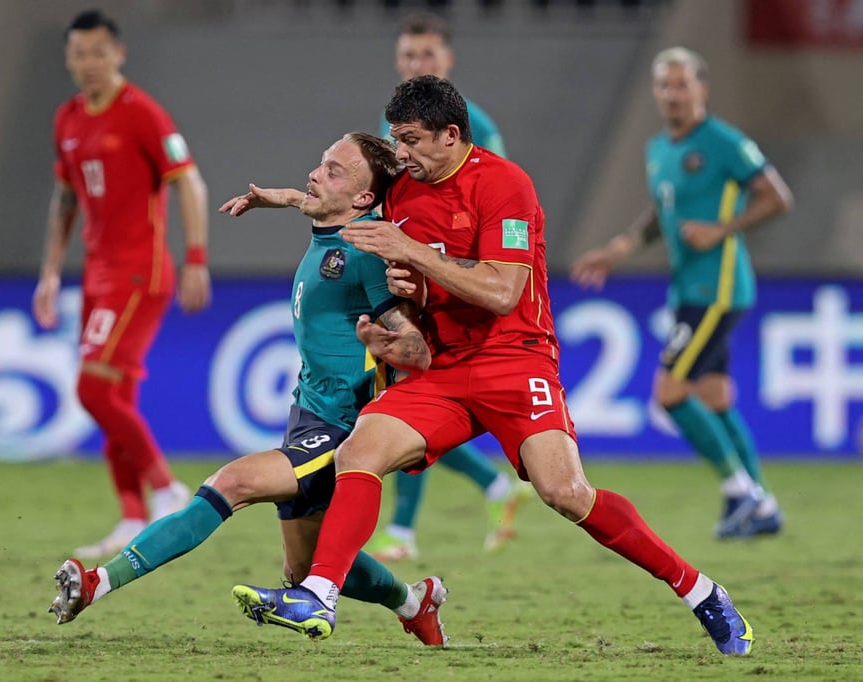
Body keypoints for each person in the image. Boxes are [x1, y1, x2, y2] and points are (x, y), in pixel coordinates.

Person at [230, 75, 755, 656]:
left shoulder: (506, 185)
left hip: (514, 358)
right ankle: (318, 594)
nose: (399, 154)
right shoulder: (403, 190)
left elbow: (502, 291)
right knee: (361, 450)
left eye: (409, 140)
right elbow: (343, 205)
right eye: (396, 140)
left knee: (565, 493)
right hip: (445, 367)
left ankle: (700, 590)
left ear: (450, 135)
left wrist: (414, 256)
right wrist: (404, 297)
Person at [48, 132, 449, 647]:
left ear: (363, 200)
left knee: (231, 484)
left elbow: (418, 350)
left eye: (333, 171)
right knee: (303, 566)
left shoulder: (368, 251)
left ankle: (95, 584)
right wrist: (272, 198)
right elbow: (307, 201)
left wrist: (387, 342)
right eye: (321, 162)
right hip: (307, 411)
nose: (314, 175)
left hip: (343, 429)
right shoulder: (333, 223)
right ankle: (417, 601)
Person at [570, 47, 793, 539]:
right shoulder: (659, 149)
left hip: (718, 286)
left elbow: (777, 196)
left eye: (681, 85)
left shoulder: (723, 142)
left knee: (669, 394)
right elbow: (661, 212)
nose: (672, 94)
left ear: (701, 89)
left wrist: (723, 229)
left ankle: (743, 493)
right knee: (713, 395)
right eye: (664, 86)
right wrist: (620, 246)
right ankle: (761, 506)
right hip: (689, 286)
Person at [32, 10, 211, 559]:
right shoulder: (67, 118)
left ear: (118, 55)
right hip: (98, 272)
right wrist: (50, 271)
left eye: (98, 53)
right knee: (117, 397)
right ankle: (133, 515)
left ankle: (166, 488)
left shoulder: (142, 114)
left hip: (138, 273)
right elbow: (65, 200)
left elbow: (190, 182)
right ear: (68, 58)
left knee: (91, 389)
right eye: (79, 54)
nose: (88, 63)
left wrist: (196, 259)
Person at [366, 10, 532, 564]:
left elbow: (496, 208)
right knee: (399, 401)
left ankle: (403, 529)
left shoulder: (472, 126)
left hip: (455, 288)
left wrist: (435, 264)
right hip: (411, 277)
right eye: (410, 55)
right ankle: (491, 486)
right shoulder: (393, 129)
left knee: (410, 399)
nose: (418, 63)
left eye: (428, 56)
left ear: (447, 61)